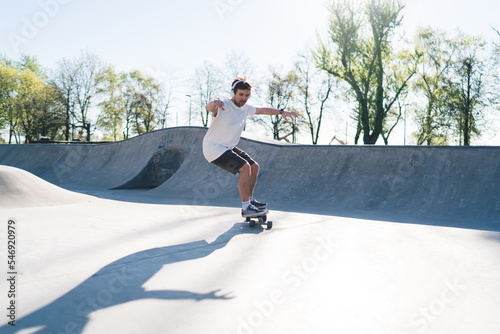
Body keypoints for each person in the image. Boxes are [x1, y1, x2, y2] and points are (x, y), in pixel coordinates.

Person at [202, 78, 298, 217]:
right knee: (245, 167)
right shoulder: (224, 105)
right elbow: (209, 108)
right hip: (214, 148)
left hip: (228, 147)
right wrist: (214, 103)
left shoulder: (246, 109)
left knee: (254, 167)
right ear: (234, 93)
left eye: (247, 95)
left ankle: (250, 200)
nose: (244, 98)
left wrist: (281, 111)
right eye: (241, 95)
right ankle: (246, 207)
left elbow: (263, 110)